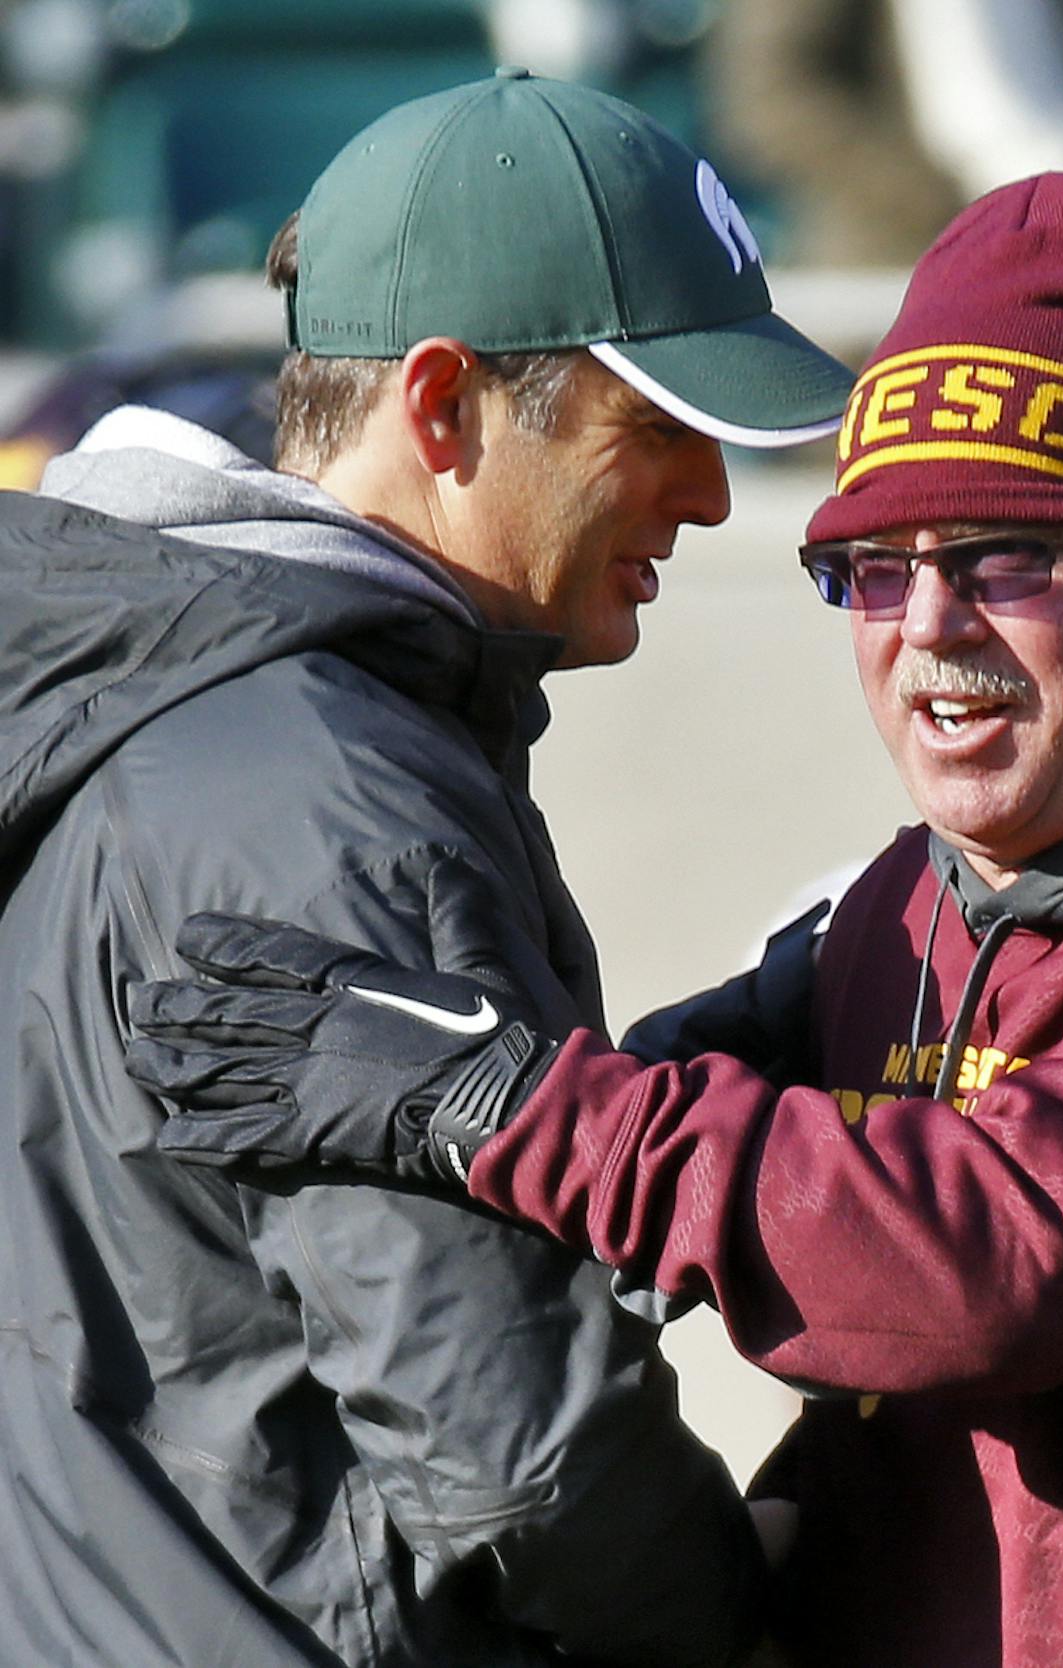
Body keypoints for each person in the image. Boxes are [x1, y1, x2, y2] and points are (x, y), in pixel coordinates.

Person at [127, 171, 1063, 1668]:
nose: (928, 629)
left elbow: (994, 1256)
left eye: (1006, 557)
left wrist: (501, 1100)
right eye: (867, 570)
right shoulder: (910, 909)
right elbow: (663, 1185)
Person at [0, 68, 853, 1666]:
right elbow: (516, 1452)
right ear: (445, 404)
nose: (714, 493)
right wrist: (750, 1631)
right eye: (658, 423)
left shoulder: (159, 706)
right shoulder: (321, 791)